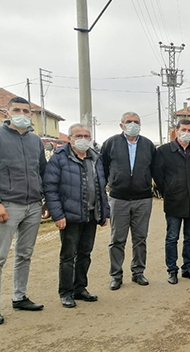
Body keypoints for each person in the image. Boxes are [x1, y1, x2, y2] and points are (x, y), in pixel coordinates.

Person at [43, 123, 110, 308]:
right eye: (78, 135)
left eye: (86, 136)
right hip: (69, 216)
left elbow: (101, 187)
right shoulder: (59, 158)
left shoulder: (95, 157)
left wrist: (104, 212)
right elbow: (50, 188)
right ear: (70, 139)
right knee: (68, 256)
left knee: (85, 253)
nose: (83, 139)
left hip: (91, 214)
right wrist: (57, 215)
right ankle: (66, 292)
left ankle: (80, 288)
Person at [0, 97, 47, 324]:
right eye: (16, 110)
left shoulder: (35, 141)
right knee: (0, 257)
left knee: (24, 254)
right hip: (7, 205)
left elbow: (42, 171)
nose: (22, 113)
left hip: (33, 205)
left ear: (31, 115)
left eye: (26, 111)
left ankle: (19, 297)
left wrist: (44, 199)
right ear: (7, 113)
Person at [101, 112, 156, 290]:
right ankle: (116, 275)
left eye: (136, 122)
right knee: (117, 239)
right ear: (121, 125)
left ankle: (138, 272)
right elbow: (103, 167)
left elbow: (154, 169)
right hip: (119, 198)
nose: (133, 124)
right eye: (129, 122)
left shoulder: (148, 145)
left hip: (143, 198)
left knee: (140, 238)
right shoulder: (111, 143)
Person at [153, 119, 190, 284]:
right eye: (183, 129)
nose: (186, 133)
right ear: (176, 130)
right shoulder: (164, 151)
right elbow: (158, 174)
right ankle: (172, 270)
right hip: (174, 200)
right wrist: (167, 190)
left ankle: (188, 268)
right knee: (172, 237)